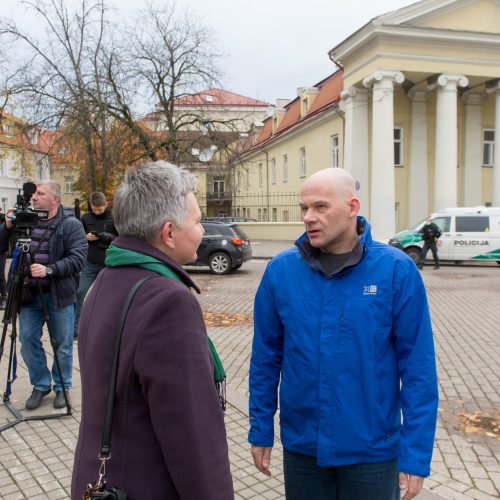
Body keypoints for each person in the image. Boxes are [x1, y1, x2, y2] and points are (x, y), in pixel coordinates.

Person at [249, 168, 438, 500]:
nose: (308, 217)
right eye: (304, 208)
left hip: (372, 454)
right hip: (303, 449)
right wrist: (260, 428)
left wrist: (416, 454)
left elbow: (419, 369)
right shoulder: (281, 271)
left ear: (352, 207)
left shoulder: (395, 271)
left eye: (320, 207)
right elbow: (265, 358)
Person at [71, 161, 234, 499]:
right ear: (169, 232)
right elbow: (193, 438)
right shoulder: (168, 301)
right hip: (145, 485)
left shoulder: (107, 277)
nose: (202, 231)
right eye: (198, 221)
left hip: (101, 479)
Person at [0, 180, 87, 410]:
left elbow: (78, 258)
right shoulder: (25, 220)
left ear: (55, 199)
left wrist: (50, 269)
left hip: (58, 294)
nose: (34, 198)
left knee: (62, 344)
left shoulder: (70, 225)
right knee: (27, 340)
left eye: (40, 194)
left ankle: (62, 387)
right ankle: (40, 384)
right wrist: (7, 227)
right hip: (28, 294)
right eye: (34, 194)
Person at [74, 191, 117, 339]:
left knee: (107, 296)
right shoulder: (85, 217)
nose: (97, 211)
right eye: (94, 209)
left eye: (100, 209)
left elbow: (121, 238)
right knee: (80, 292)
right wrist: (86, 237)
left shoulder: (114, 217)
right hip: (90, 262)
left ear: (106, 205)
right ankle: (76, 327)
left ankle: (107, 328)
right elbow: (76, 236)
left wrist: (109, 237)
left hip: (108, 263)